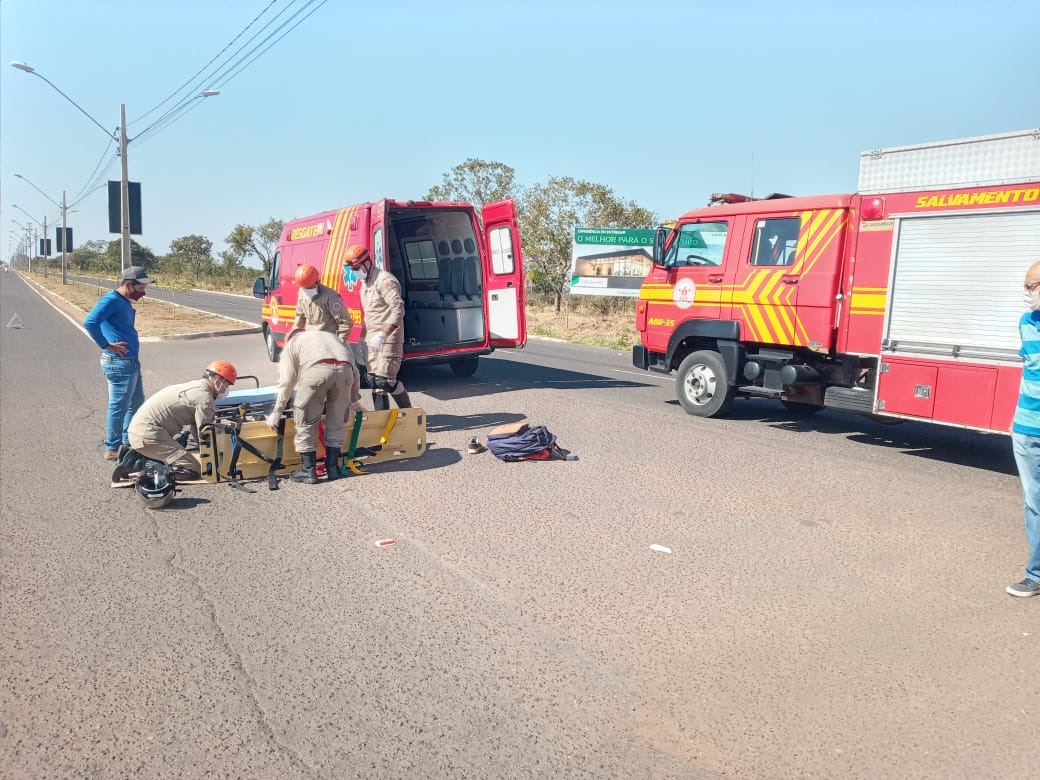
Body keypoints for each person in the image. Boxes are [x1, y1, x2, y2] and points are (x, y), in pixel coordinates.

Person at [266, 328, 363, 484]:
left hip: (317, 372)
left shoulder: (292, 345)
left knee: (305, 419)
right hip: (345, 373)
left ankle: (308, 470)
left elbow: (286, 382)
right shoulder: (332, 337)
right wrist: (353, 400)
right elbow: (355, 372)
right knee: (337, 421)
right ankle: (332, 468)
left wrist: (277, 411)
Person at [120, 360, 238, 481]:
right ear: (217, 382)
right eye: (226, 386)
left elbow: (196, 429)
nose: (225, 391)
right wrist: (219, 456)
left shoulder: (196, 387)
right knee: (194, 469)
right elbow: (205, 433)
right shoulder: (205, 400)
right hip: (148, 436)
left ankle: (139, 455)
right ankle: (140, 465)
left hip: (140, 431)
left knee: (183, 457)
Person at [83, 265, 153, 460]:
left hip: (130, 362)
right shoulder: (111, 300)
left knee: (136, 404)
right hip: (119, 362)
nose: (144, 292)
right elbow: (90, 322)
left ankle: (127, 442)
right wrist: (107, 345)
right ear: (130, 285)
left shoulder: (122, 301)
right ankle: (113, 448)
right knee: (119, 406)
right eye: (142, 287)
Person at [344, 244, 411, 410]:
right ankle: (381, 421)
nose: (355, 272)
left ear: (367, 263)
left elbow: (398, 309)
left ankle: (410, 413)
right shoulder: (365, 284)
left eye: (357, 267)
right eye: (353, 269)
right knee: (373, 380)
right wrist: (361, 340)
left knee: (386, 381)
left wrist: (383, 334)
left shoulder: (385, 280)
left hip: (389, 338)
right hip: (372, 339)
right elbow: (369, 314)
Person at [1007, 261, 1040, 598]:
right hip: (1027, 430)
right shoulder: (1027, 323)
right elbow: (1029, 372)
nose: (1027, 294)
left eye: (1032, 286)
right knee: (1034, 503)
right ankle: (1036, 575)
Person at [292, 263, 353, 343]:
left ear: (317, 281)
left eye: (309, 287)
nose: (307, 291)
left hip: (328, 343)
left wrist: (339, 342)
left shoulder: (331, 297)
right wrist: (293, 336)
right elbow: (300, 318)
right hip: (311, 342)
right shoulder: (302, 293)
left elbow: (346, 323)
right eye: (304, 288)